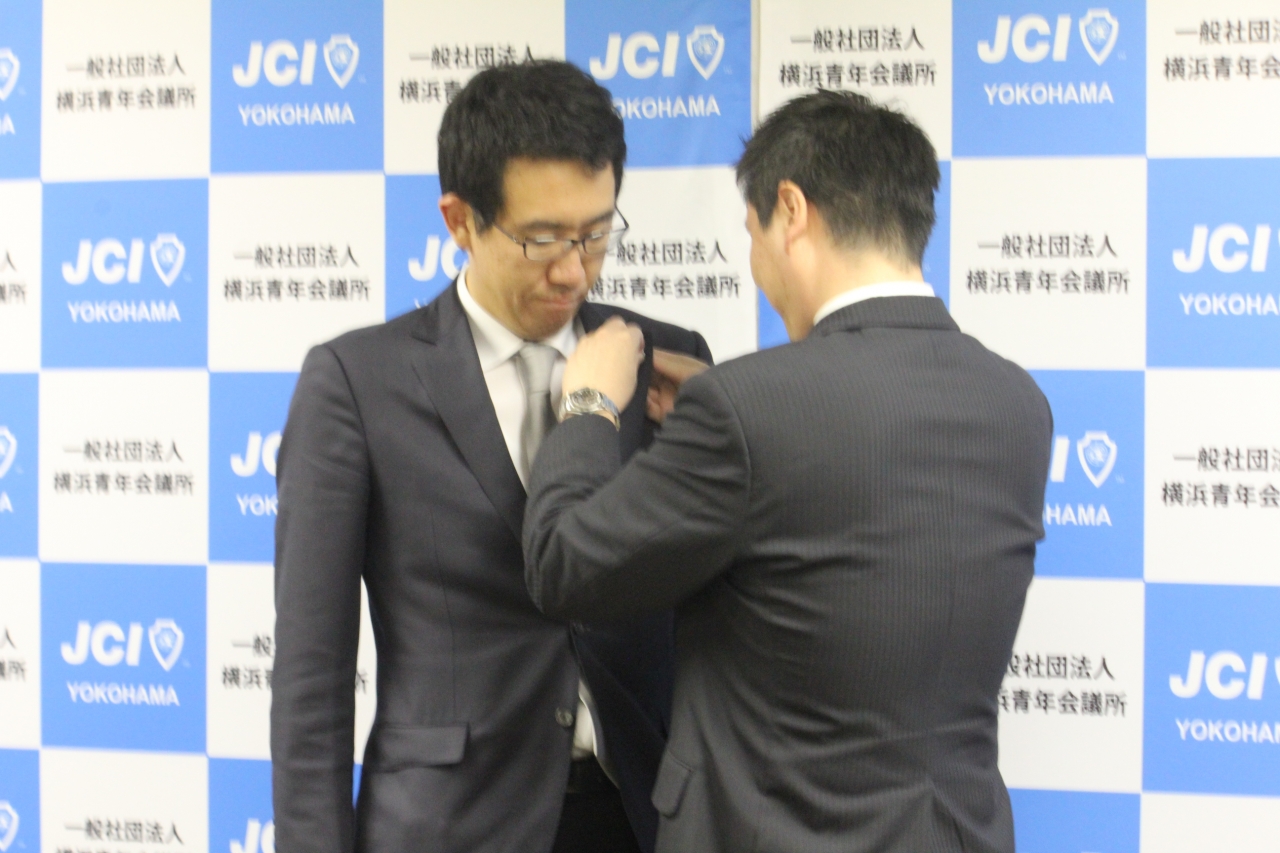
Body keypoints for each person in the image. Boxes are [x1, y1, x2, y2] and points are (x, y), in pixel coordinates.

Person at [523, 90, 1053, 853]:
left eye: (753, 234)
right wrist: (730, 411)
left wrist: (588, 405)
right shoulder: (1017, 402)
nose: (757, 265)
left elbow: (563, 566)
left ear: (792, 210)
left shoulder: (752, 410)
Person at [271, 60, 712, 853]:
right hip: (450, 822)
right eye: (541, 238)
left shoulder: (667, 359)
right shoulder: (358, 381)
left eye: (596, 233)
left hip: (644, 816)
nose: (573, 269)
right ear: (460, 219)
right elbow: (313, 672)